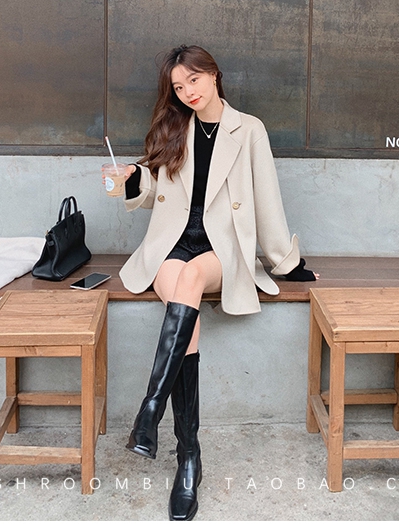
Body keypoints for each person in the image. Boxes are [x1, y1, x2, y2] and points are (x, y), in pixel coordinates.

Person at [105, 45, 318, 521]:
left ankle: (151, 411)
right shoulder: (175, 126)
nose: (188, 92)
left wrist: (287, 263)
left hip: (221, 249)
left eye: (194, 81)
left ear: (214, 75)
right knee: (185, 298)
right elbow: (157, 190)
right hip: (170, 244)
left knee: (194, 275)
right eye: (179, 87)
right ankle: (188, 456)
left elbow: (267, 199)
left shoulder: (249, 129)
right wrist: (132, 177)